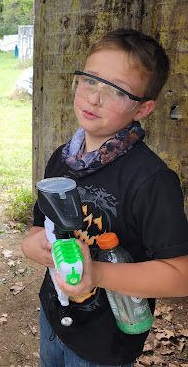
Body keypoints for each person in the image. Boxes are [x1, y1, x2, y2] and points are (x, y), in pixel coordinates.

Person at [21, 28, 188, 367]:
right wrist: (32, 243)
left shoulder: (151, 180)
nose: (94, 98)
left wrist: (95, 273)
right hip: (53, 317)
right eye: (91, 81)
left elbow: (179, 275)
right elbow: (41, 227)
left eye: (116, 91)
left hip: (105, 343)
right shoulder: (61, 159)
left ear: (142, 109)